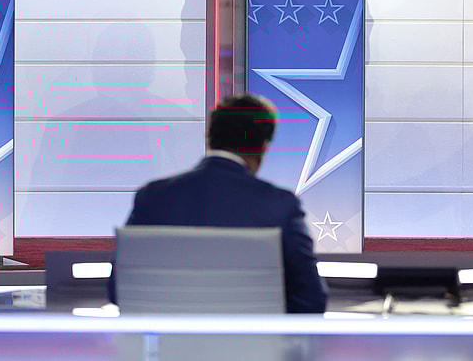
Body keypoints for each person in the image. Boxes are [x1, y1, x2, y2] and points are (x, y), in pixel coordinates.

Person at [110, 94, 327, 313]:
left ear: (209, 137)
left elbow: (119, 291)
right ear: (263, 145)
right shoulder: (281, 206)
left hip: (171, 346)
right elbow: (311, 300)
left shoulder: (152, 197)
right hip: (255, 346)